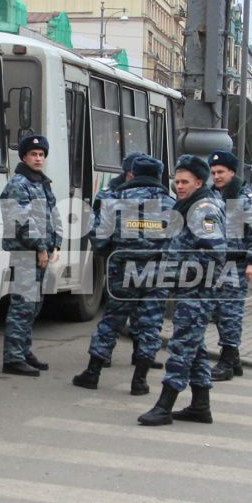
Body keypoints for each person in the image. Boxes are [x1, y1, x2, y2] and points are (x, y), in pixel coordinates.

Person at [139, 155, 226, 427]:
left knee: (180, 347)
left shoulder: (203, 209)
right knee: (195, 347)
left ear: (199, 182)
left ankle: (164, 405)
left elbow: (214, 253)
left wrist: (181, 273)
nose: (179, 185)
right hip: (189, 288)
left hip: (198, 291)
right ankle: (201, 406)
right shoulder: (189, 205)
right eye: (176, 181)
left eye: (185, 181)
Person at [74, 153, 170, 395]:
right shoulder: (171, 205)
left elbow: (98, 237)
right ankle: (140, 381)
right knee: (150, 326)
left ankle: (92, 373)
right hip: (156, 275)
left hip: (122, 272)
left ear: (133, 173)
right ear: (158, 176)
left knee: (111, 321)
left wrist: (110, 254)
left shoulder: (114, 201)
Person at [203, 149, 252, 381]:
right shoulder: (210, 196)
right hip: (215, 264)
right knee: (219, 313)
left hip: (237, 264)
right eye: (213, 172)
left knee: (230, 313)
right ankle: (235, 360)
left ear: (231, 171)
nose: (217, 176)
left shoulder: (245, 199)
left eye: (221, 172)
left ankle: (227, 361)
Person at [0, 134, 60, 376]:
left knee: (33, 305)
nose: (38, 158)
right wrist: (41, 247)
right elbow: (22, 221)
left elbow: (51, 215)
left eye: (41, 154)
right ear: (24, 156)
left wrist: (56, 243)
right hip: (26, 253)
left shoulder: (41, 183)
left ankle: (23, 351)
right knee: (23, 305)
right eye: (33, 154)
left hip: (39, 252)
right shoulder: (19, 184)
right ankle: (12, 358)